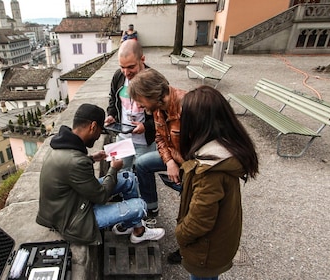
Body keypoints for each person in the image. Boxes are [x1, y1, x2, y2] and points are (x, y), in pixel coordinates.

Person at [36, 103, 165, 245]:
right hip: (73, 219)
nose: (98, 136)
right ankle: (135, 225)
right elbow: (101, 196)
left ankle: (133, 229)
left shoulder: (62, 145)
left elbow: (70, 171)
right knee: (140, 206)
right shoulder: (76, 161)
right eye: (100, 131)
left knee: (129, 179)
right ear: (93, 126)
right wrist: (114, 169)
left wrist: (91, 158)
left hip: (74, 201)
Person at [175, 86, 259, 279]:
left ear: (196, 123)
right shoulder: (226, 149)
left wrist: (180, 234)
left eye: (184, 117)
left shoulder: (209, 170)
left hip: (206, 251)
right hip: (218, 243)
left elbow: (199, 221)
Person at [127, 68, 187, 219]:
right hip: (174, 156)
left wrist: (183, 169)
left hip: (192, 163)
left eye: (140, 100)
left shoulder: (188, 105)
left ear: (152, 94)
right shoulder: (157, 107)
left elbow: (200, 152)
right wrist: (169, 162)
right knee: (141, 164)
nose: (139, 106)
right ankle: (151, 208)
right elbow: (159, 137)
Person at [105, 39, 156, 172]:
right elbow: (112, 99)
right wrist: (112, 115)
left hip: (145, 141)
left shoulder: (154, 80)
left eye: (131, 67)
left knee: (143, 176)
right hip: (123, 136)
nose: (126, 73)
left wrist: (146, 126)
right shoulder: (118, 76)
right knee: (121, 172)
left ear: (142, 59)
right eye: (122, 67)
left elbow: (164, 113)